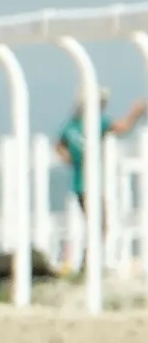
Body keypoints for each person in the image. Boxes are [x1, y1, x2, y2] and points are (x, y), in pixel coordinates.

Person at [56, 93, 147, 265]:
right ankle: (88, 263)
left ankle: (88, 262)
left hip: (82, 184)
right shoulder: (95, 122)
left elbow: (59, 145)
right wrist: (135, 112)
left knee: (97, 225)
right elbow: (121, 127)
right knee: (100, 225)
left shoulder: (71, 126)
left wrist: (68, 157)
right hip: (88, 185)